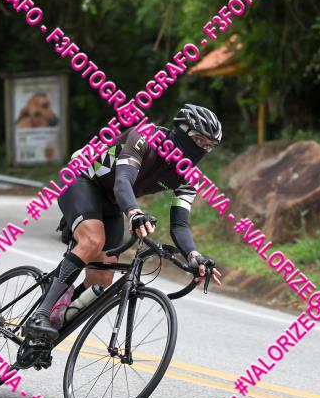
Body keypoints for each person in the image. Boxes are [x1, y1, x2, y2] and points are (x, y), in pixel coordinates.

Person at [23, 104, 224, 341]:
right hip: (82, 178)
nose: (202, 149)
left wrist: (194, 256)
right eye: (198, 140)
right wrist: (134, 212)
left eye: (209, 146)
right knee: (93, 240)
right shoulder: (145, 137)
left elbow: (179, 225)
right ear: (180, 130)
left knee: (102, 279)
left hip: (112, 203)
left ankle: (53, 323)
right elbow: (123, 182)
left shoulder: (189, 176)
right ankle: (41, 314)